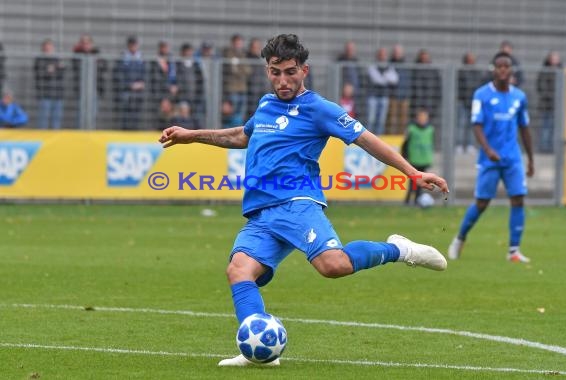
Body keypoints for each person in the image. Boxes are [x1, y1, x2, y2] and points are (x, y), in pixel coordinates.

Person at [159, 34, 449, 367]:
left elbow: (366, 140)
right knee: (239, 271)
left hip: (297, 203)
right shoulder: (266, 104)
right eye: (275, 72)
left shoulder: (319, 109)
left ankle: (400, 249)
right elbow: (242, 135)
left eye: (290, 72)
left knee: (333, 266)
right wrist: (191, 136)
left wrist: (412, 173)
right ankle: (259, 351)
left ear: (304, 71)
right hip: (261, 213)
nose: (283, 80)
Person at [448, 51, 534, 263]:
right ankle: (459, 238)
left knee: (518, 199)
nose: (503, 70)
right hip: (489, 159)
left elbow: (524, 128)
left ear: (511, 70)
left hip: (512, 158)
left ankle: (513, 250)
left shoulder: (519, 97)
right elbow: (476, 126)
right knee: (482, 203)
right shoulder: (481, 95)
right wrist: (488, 150)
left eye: (507, 66)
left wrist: (530, 158)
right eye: (499, 66)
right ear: (493, 70)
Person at [401, 108, 434, 206]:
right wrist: (405, 156)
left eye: (425, 118)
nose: (423, 119)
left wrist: (429, 158)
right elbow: (405, 144)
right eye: (421, 117)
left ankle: (417, 200)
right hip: (414, 159)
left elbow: (430, 144)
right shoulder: (411, 129)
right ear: (417, 118)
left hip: (424, 160)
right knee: (413, 182)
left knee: (421, 182)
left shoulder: (430, 129)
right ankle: (408, 200)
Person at [34, 38, 65, 129]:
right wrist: (53, 69)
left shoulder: (57, 59)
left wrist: (53, 69)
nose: (48, 49)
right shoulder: (39, 60)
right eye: (46, 47)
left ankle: (55, 137)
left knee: (57, 117)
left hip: (57, 92)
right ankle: (42, 135)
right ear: (43, 48)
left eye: (50, 47)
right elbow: (40, 74)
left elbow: (61, 73)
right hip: (45, 93)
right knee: (43, 117)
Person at [456, 51, 484, 154]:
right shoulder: (462, 72)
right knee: (461, 124)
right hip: (463, 102)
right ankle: (459, 145)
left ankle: (470, 145)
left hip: (474, 102)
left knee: (472, 125)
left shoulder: (477, 72)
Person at [536, 50, 562, 153]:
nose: (555, 60)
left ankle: (555, 149)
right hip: (547, 105)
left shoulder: (561, 70)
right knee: (546, 126)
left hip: (559, 105)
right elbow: (541, 86)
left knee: (557, 128)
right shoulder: (545, 70)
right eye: (553, 58)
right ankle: (544, 148)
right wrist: (550, 95)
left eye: (557, 58)